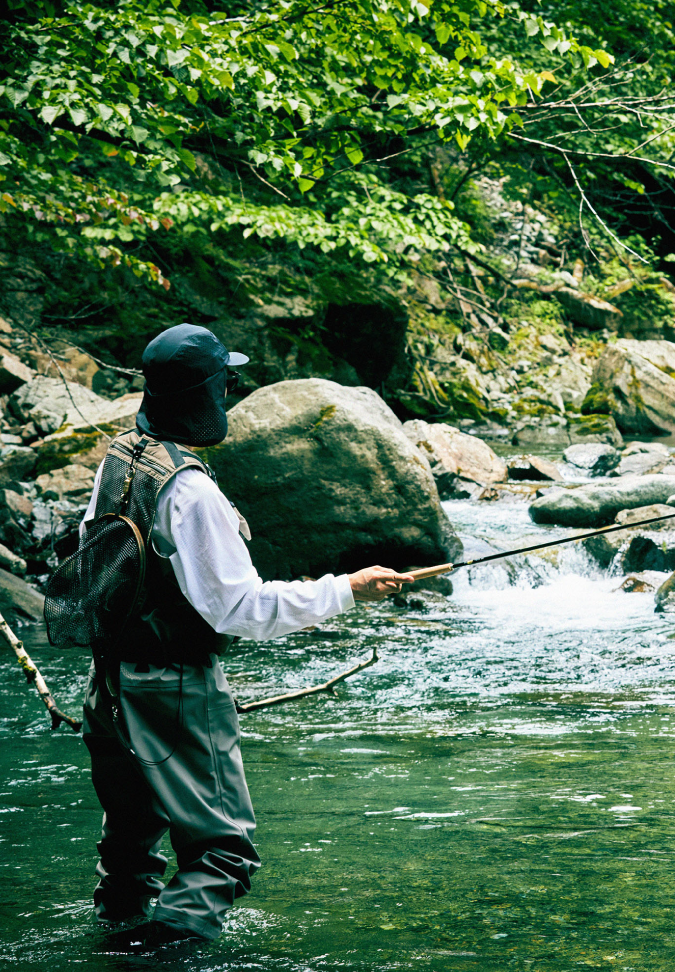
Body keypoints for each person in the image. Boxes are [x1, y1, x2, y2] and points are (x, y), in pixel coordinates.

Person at [80, 323, 411, 951]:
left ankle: (110, 944)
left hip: (109, 685)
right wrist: (349, 589)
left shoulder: (120, 457)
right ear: (207, 392)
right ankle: (159, 961)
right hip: (174, 691)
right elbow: (241, 609)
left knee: (130, 842)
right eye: (226, 381)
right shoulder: (192, 491)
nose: (232, 392)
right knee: (223, 851)